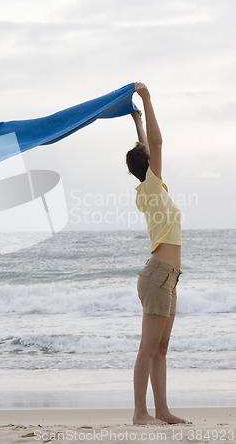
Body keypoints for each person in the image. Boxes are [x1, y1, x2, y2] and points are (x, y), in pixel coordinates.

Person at [126, 82, 188, 425]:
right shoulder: (151, 185)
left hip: (168, 278)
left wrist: (136, 122)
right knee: (147, 348)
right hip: (158, 277)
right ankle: (140, 413)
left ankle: (161, 411)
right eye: (151, 156)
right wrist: (148, 99)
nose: (156, 154)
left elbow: (148, 146)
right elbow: (158, 142)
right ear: (149, 166)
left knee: (160, 349)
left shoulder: (149, 188)